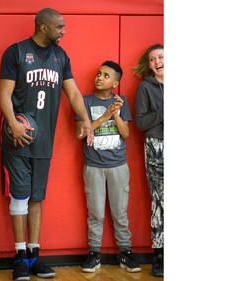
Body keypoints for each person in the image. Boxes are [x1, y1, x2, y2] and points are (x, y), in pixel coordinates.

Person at [0, 8, 94, 281]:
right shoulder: (15, 52)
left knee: (37, 198)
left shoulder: (60, 56)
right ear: (43, 27)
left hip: (44, 141)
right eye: (60, 27)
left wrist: (85, 119)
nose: (64, 31)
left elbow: (73, 91)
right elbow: (4, 93)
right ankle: (19, 258)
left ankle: (34, 255)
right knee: (20, 197)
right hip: (17, 138)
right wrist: (13, 124)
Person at [75, 61, 141, 273]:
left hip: (118, 166)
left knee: (120, 212)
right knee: (95, 212)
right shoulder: (85, 102)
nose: (100, 78)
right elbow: (81, 133)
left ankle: (126, 252)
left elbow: (127, 134)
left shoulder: (122, 102)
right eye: (98, 74)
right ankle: (94, 254)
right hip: (94, 166)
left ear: (115, 82)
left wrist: (114, 113)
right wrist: (103, 116)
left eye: (106, 75)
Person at [133, 43, 164, 277]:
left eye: (161, 57)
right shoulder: (145, 87)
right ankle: (160, 256)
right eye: (152, 59)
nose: (156, 62)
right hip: (157, 146)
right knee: (160, 202)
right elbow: (141, 123)